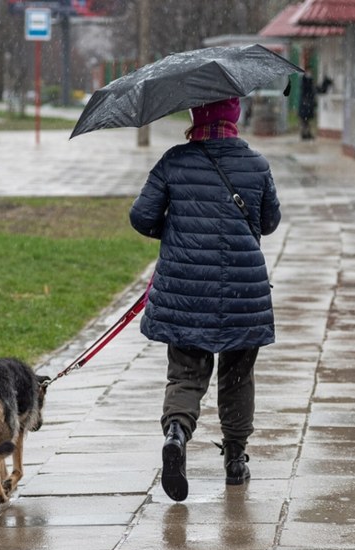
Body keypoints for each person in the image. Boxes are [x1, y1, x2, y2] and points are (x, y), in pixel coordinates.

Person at [129, 97, 282, 502]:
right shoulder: (255, 163)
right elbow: (269, 221)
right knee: (237, 375)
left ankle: (177, 435)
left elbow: (141, 216)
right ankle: (235, 460)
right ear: (234, 117)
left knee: (185, 373)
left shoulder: (174, 161)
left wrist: (178, 231)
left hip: (185, 289)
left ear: (196, 116)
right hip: (243, 290)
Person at [298, 73, 333, 140]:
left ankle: (306, 134)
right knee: (305, 121)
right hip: (306, 107)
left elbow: (320, 90)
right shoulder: (307, 85)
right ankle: (306, 134)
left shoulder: (307, 85)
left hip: (305, 108)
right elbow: (319, 90)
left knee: (305, 121)